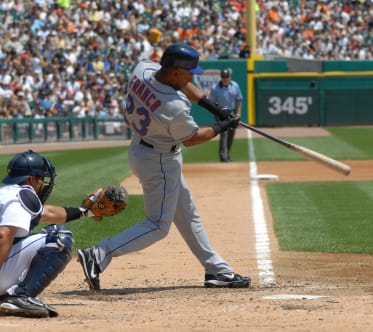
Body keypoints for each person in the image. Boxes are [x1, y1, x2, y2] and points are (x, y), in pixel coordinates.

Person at [77, 42, 251, 292]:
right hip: (159, 161)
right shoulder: (173, 105)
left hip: (142, 148)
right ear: (175, 71)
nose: (193, 77)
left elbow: (182, 83)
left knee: (187, 212)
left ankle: (216, 270)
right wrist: (223, 126)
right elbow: (192, 139)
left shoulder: (143, 69)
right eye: (189, 72)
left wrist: (213, 107)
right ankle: (99, 253)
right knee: (158, 225)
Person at [0, 150, 97, 318]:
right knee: (58, 238)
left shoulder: (7, 194)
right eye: (41, 180)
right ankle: (18, 296)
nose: (42, 185)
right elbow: (3, 235)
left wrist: (87, 212)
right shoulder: (21, 195)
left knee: (43, 234)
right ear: (31, 179)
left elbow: (48, 213)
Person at [209, 68, 243, 162]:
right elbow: (212, 103)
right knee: (224, 133)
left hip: (232, 111)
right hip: (220, 113)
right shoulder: (215, 88)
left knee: (231, 133)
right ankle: (223, 156)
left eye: (227, 77)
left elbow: (239, 99)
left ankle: (227, 154)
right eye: (223, 77)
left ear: (229, 77)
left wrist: (238, 113)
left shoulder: (235, 85)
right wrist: (217, 114)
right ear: (221, 77)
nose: (225, 79)